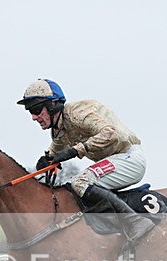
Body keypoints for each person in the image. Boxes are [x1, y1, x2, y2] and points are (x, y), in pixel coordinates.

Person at [17, 78, 154, 246]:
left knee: (80, 182)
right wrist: (47, 159)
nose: (33, 117)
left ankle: (136, 221)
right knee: (74, 187)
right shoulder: (59, 128)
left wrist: (75, 150)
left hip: (129, 157)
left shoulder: (76, 113)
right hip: (115, 160)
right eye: (29, 111)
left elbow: (111, 133)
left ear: (54, 105)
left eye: (37, 109)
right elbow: (56, 149)